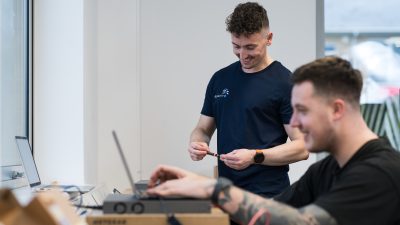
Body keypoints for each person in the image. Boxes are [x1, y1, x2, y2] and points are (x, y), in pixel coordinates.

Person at [149, 56, 400, 225]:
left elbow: (300, 222)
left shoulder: (379, 173)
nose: (296, 123)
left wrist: (213, 189)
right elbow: (266, 213)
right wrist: (195, 190)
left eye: (303, 111)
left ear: (336, 109)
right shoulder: (325, 171)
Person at [188, 2, 308, 197]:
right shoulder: (220, 79)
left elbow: (302, 147)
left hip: (269, 196)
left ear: (269, 39)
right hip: (226, 194)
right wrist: (197, 143)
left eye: (250, 47)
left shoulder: (286, 83)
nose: (242, 55)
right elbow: (202, 129)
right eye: (236, 46)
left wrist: (254, 156)